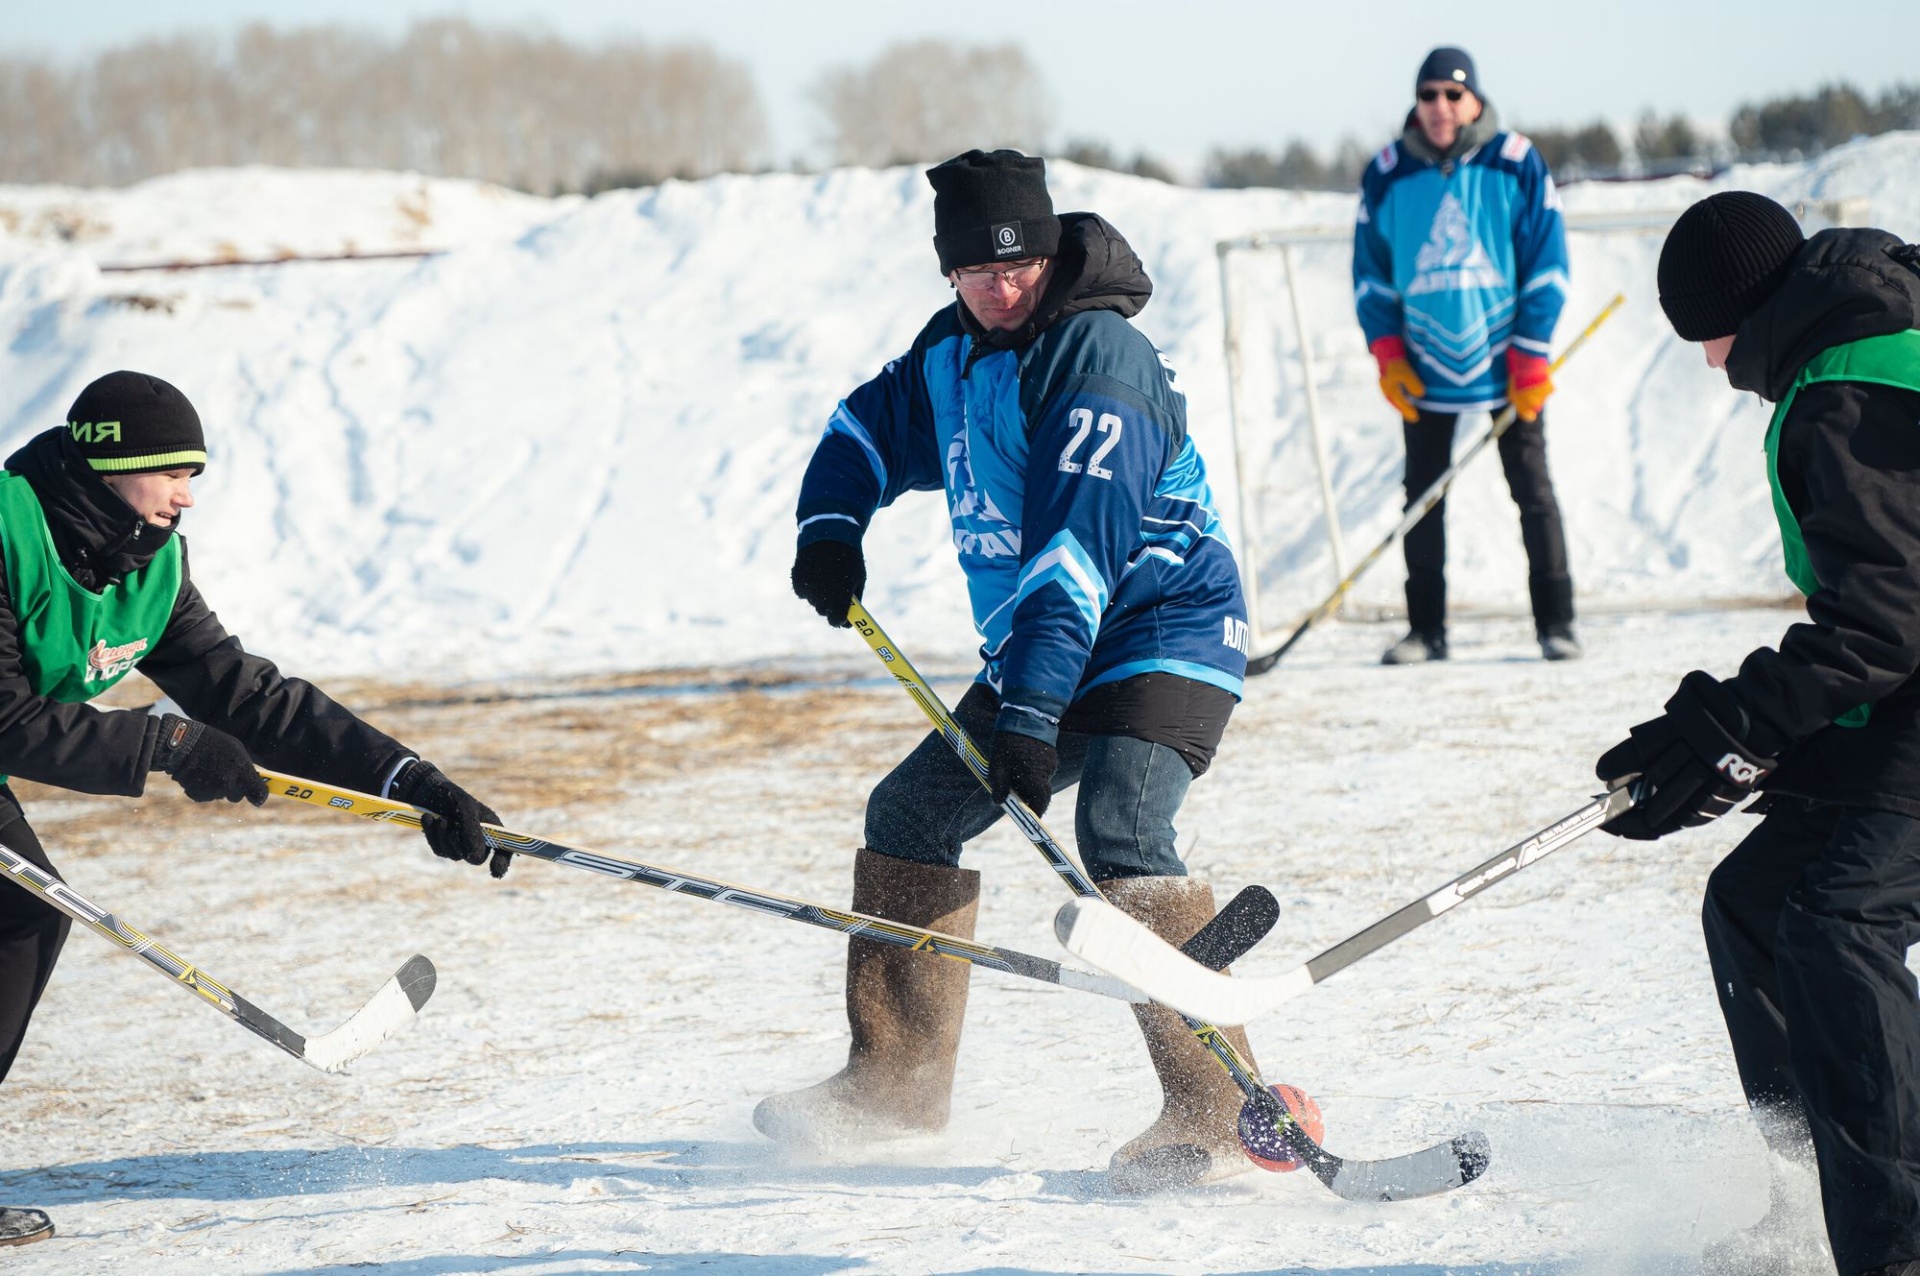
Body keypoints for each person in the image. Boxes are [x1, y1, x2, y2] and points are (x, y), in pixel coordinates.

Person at [758, 149, 1255, 1193]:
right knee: (910, 813)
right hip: (1044, 645)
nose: (1002, 284)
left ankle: (1215, 1109)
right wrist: (831, 525)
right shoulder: (950, 357)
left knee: (1119, 824)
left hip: (1162, 629)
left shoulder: (1097, 358)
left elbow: (1076, 552)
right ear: (948, 273)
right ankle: (893, 1081)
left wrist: (1029, 713)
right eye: (977, 269)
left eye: (1020, 260)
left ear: (1047, 247)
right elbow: (861, 430)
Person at [0, 372, 505, 1248]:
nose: (187, 496)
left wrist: (410, 779)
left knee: (24, 919)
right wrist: (162, 746)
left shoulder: (148, 563)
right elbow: (5, 718)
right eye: (173, 473)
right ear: (114, 463)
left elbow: (244, 694)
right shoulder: (6, 528)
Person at [1596, 191, 1920, 1276]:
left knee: (1837, 925)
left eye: (1704, 336)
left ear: (1740, 311)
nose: (1706, 364)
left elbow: (1883, 622)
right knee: (1754, 902)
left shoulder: (1840, 394)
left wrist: (1740, 725)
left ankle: (1900, 1242)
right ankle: (1803, 1199)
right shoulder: (1874, 328)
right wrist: (1764, 746)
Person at [1353, 46, 1578, 664]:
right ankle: (1426, 629)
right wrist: (1389, 352)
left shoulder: (1515, 160)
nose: (1441, 108)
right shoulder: (1389, 170)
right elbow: (1370, 273)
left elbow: (1547, 262)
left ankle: (1556, 622)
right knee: (1422, 495)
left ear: (1475, 99)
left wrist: (1531, 353)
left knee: (1532, 488)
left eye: (1454, 95)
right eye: (1429, 95)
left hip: (1508, 363)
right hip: (1425, 364)